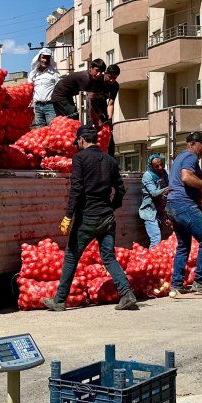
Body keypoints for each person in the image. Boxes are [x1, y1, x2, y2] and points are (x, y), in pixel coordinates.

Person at [44, 125, 139, 312]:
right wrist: (111, 207)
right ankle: (127, 294)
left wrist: (68, 215)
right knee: (109, 257)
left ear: (81, 140)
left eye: (77, 142)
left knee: (71, 256)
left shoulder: (80, 158)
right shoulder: (110, 160)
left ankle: (60, 300)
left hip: (87, 218)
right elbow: (120, 189)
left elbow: (77, 189)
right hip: (107, 217)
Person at [165, 131, 202, 296]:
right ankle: (200, 281)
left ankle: (176, 284)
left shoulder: (179, 158)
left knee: (183, 246)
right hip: (184, 205)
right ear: (192, 144)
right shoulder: (190, 157)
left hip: (173, 205)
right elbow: (186, 177)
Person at [139, 153, 169, 247]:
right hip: (150, 212)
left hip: (161, 211)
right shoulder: (147, 176)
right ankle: (152, 260)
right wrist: (168, 189)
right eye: (157, 166)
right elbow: (154, 193)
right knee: (156, 239)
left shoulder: (165, 173)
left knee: (164, 239)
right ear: (151, 166)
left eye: (161, 164)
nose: (160, 167)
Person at [27, 49, 61, 128]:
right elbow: (29, 89)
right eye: (43, 58)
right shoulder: (33, 74)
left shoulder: (54, 74)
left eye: (47, 58)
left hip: (50, 106)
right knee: (40, 132)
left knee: (52, 129)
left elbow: (59, 89)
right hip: (38, 107)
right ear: (39, 58)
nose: (45, 60)